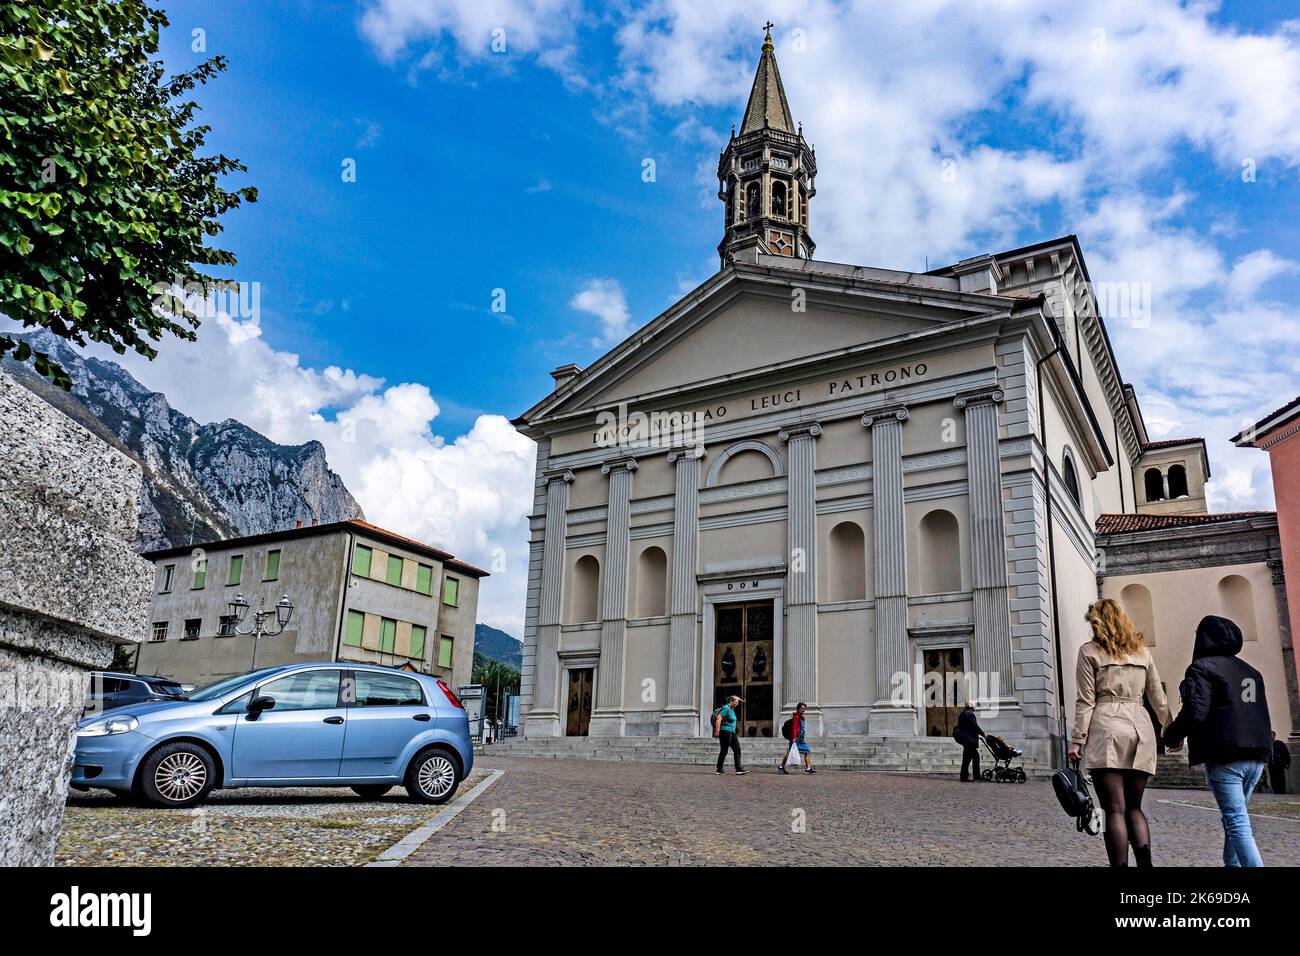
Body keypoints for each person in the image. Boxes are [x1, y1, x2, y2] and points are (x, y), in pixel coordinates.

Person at [1068, 598, 1173, 867]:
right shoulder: (1142, 652)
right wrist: (1171, 731)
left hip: (1107, 726)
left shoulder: (1089, 651)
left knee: (1113, 809)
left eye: (1092, 622)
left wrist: (1077, 740)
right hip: (1141, 727)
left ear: (1098, 623)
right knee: (1135, 807)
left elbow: (1086, 700)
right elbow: (1158, 698)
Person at [1164, 615, 1272, 867]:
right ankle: (1231, 865)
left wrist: (1173, 735)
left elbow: (1195, 711)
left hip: (1225, 754)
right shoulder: (1251, 672)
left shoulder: (1201, 668)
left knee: (1237, 822)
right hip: (1256, 755)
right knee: (1235, 818)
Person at [779, 701, 816, 774]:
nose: (803, 710)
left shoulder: (799, 716)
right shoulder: (797, 717)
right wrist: (794, 738)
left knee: (789, 752)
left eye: (804, 708)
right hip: (797, 738)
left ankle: (781, 767)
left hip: (797, 738)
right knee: (807, 751)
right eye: (802, 708)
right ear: (798, 709)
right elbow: (794, 728)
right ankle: (808, 769)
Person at [714, 695, 747, 775]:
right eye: (736, 702)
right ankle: (719, 769)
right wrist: (717, 731)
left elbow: (737, 699)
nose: (737, 704)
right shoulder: (726, 708)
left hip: (731, 733)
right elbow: (719, 718)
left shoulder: (731, 709)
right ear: (731, 701)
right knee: (724, 750)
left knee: (737, 749)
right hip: (725, 732)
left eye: (737, 702)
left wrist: (740, 699)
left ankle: (738, 769)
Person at [955, 703, 983, 782]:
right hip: (969, 739)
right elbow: (974, 725)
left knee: (970, 757)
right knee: (970, 758)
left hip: (965, 739)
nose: (975, 707)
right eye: (974, 706)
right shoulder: (970, 714)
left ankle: (967, 776)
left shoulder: (962, 714)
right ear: (971, 707)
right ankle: (968, 776)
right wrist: (982, 733)